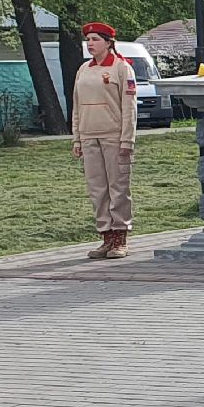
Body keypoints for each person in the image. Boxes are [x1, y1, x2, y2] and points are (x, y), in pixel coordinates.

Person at [72, 24, 136, 259]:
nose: (90, 44)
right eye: (88, 39)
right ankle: (106, 236)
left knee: (118, 188)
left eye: (96, 39)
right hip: (89, 136)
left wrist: (127, 139)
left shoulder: (122, 68)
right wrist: (77, 137)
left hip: (114, 136)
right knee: (97, 189)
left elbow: (129, 108)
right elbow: (77, 107)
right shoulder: (83, 69)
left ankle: (120, 237)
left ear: (108, 42)